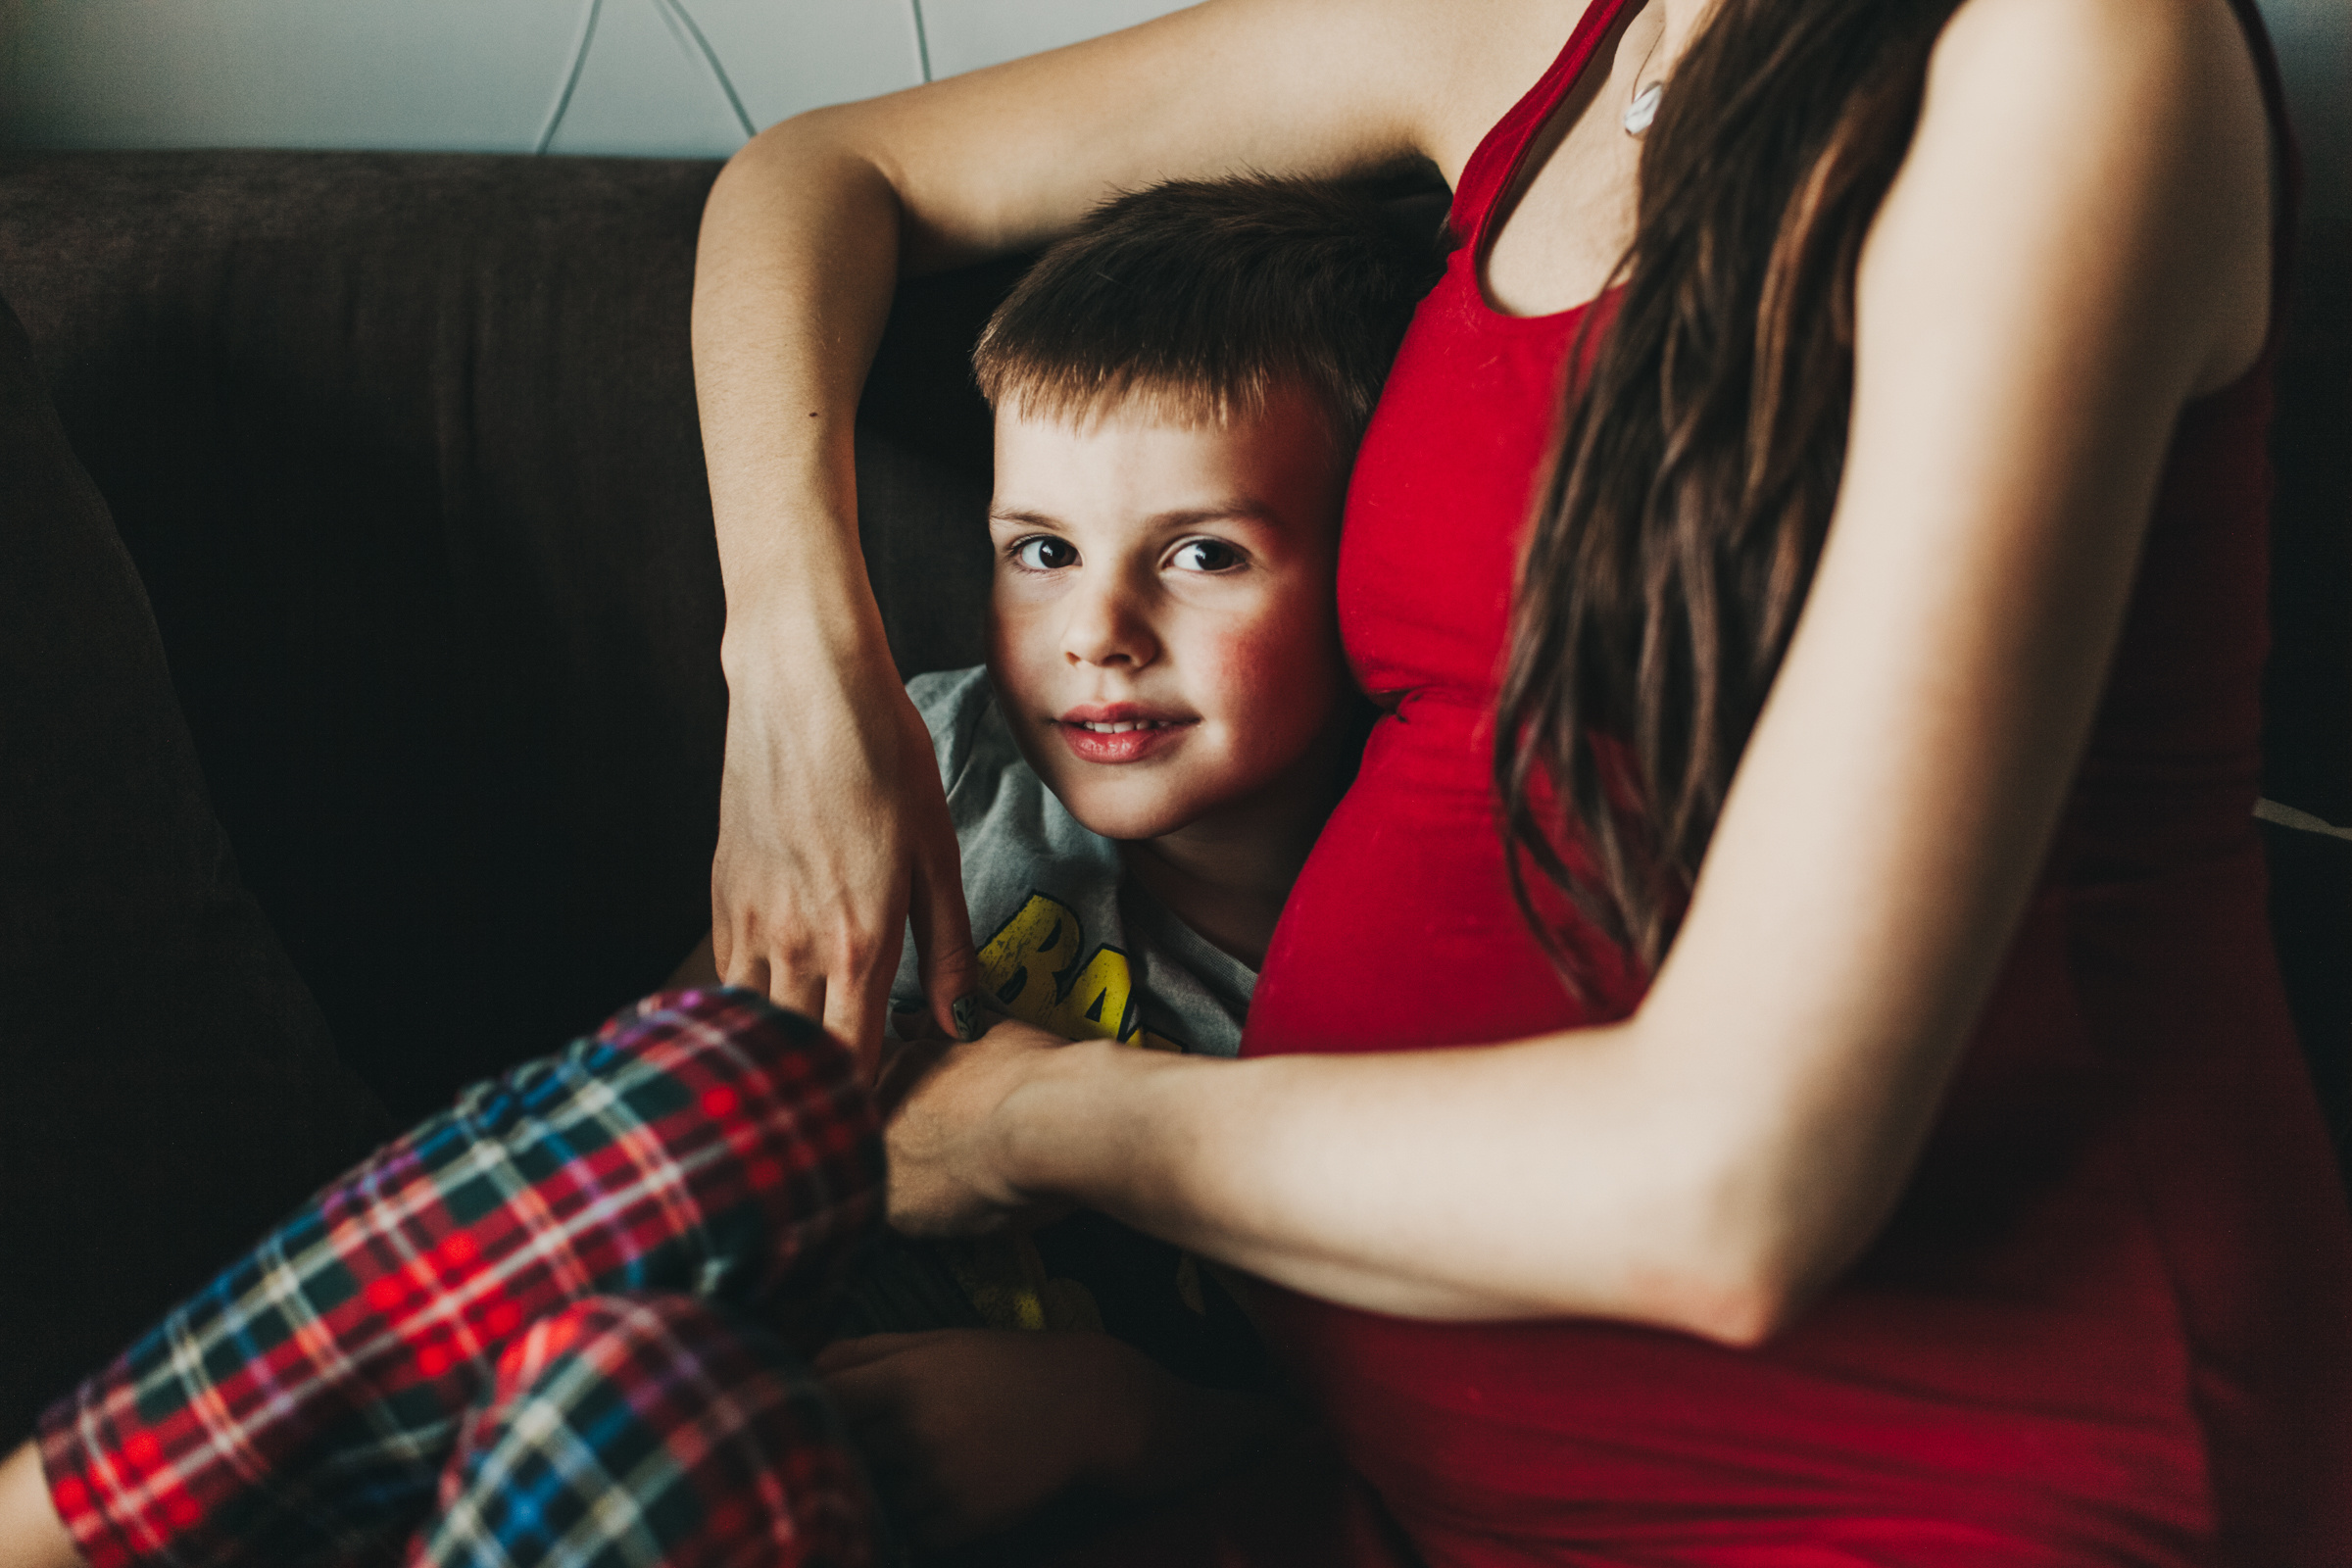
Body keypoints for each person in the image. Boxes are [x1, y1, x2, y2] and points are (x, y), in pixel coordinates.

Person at [684, 0, 2352, 1561]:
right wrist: (800, 663)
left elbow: (1742, 1191)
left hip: (1942, 1455)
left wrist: (1036, 1121)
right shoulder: (1541, 28)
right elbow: (819, 175)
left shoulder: (2074, 50)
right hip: (1378, 1464)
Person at [0, 175, 1432, 1566]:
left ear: (1384, 566)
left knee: (645, 1395)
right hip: (572, 1410)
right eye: (1042, 551)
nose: (1098, 631)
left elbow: (1441, 1458)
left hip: (854, 1490)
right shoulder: (942, 761)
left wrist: (1121, 1420)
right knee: (674, 1219)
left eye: (1200, 555)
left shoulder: (1426, 965)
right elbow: (654, 1101)